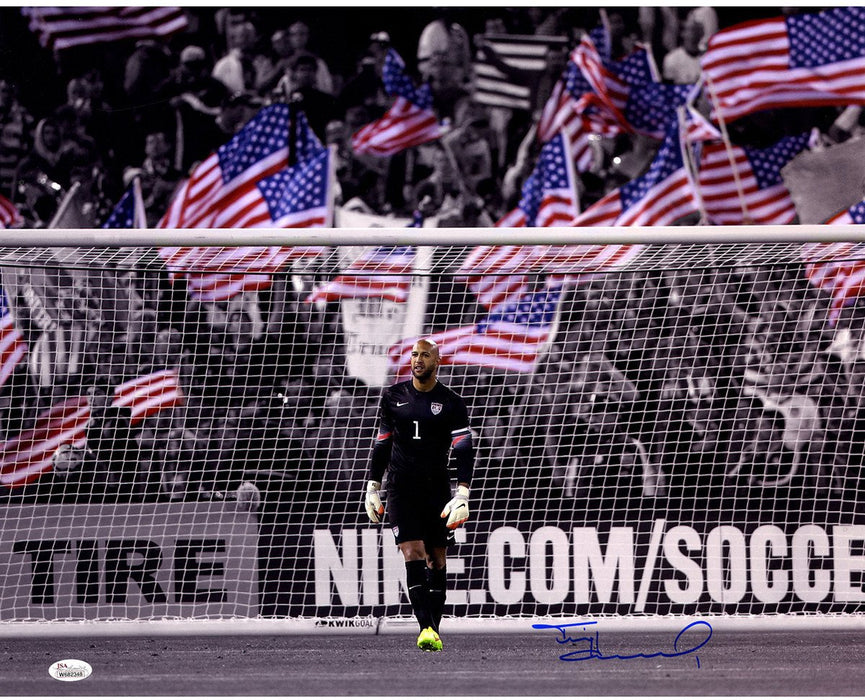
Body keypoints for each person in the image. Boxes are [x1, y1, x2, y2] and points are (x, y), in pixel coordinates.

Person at [364, 339, 474, 652]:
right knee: (411, 552)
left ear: (437, 361)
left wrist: (462, 493)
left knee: (436, 560)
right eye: (414, 354)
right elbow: (382, 444)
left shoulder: (452, 402)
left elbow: (463, 449)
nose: (417, 360)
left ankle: (433, 630)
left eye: (424, 355)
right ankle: (425, 627)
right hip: (401, 487)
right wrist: (373, 486)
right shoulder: (393, 396)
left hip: (436, 487)